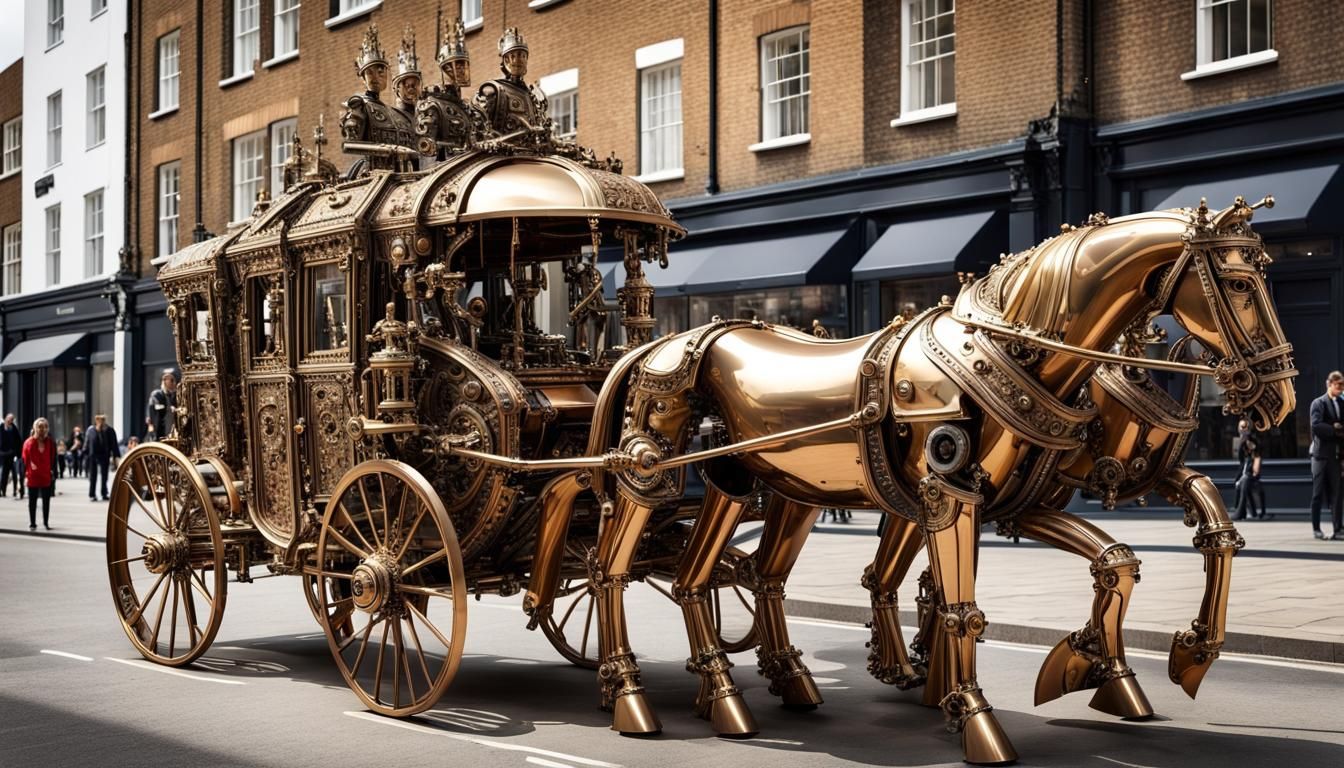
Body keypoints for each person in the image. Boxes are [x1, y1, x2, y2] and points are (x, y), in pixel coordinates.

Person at [1308, 370, 1344, 540]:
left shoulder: (1341, 403)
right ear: (1329, 384)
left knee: (1337, 494)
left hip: (1336, 456)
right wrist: (1335, 429)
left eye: (1342, 386)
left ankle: (1338, 529)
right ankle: (1316, 528)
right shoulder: (1318, 403)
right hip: (1320, 456)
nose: (1341, 389)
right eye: (1338, 386)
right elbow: (1316, 426)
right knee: (1317, 494)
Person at [22, 418, 56, 531]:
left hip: (45, 475)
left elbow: (52, 458)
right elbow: (25, 460)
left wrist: (53, 472)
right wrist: (25, 475)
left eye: (45, 427)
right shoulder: (29, 443)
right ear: (35, 428)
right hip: (33, 476)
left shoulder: (50, 442)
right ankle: (32, 523)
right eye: (40, 427)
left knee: (46, 501)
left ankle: (46, 522)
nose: (43, 429)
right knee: (32, 501)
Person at [1233, 419, 1269, 521]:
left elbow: (1256, 457)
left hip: (1252, 473)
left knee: (1244, 483)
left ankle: (1240, 511)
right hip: (1245, 471)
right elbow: (1241, 461)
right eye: (1241, 427)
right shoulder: (1241, 441)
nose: (1243, 429)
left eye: (1246, 427)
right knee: (1240, 483)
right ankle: (1250, 511)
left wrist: (1253, 471)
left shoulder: (1252, 441)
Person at [86, 413, 120, 502]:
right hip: (93, 455)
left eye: (102, 419)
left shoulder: (109, 430)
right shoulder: (91, 430)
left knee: (104, 475)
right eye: (98, 419)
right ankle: (92, 494)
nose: (100, 421)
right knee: (93, 475)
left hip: (104, 455)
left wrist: (116, 456)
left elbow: (114, 444)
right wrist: (85, 453)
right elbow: (87, 442)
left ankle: (104, 493)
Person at [145, 369, 178, 441]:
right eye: (169, 380)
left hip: (171, 429)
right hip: (159, 429)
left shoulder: (175, 395)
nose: (172, 382)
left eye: (172, 380)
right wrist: (169, 408)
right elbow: (153, 410)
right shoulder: (157, 394)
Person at [0, 413, 21, 499]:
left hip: (12, 455)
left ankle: (15, 491)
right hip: (3, 455)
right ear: (5, 419)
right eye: (8, 419)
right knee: (3, 474)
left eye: (11, 419)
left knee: (14, 474)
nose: (9, 421)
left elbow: (18, 441)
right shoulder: (1, 428)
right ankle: (3, 491)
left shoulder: (14, 428)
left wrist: (17, 453)